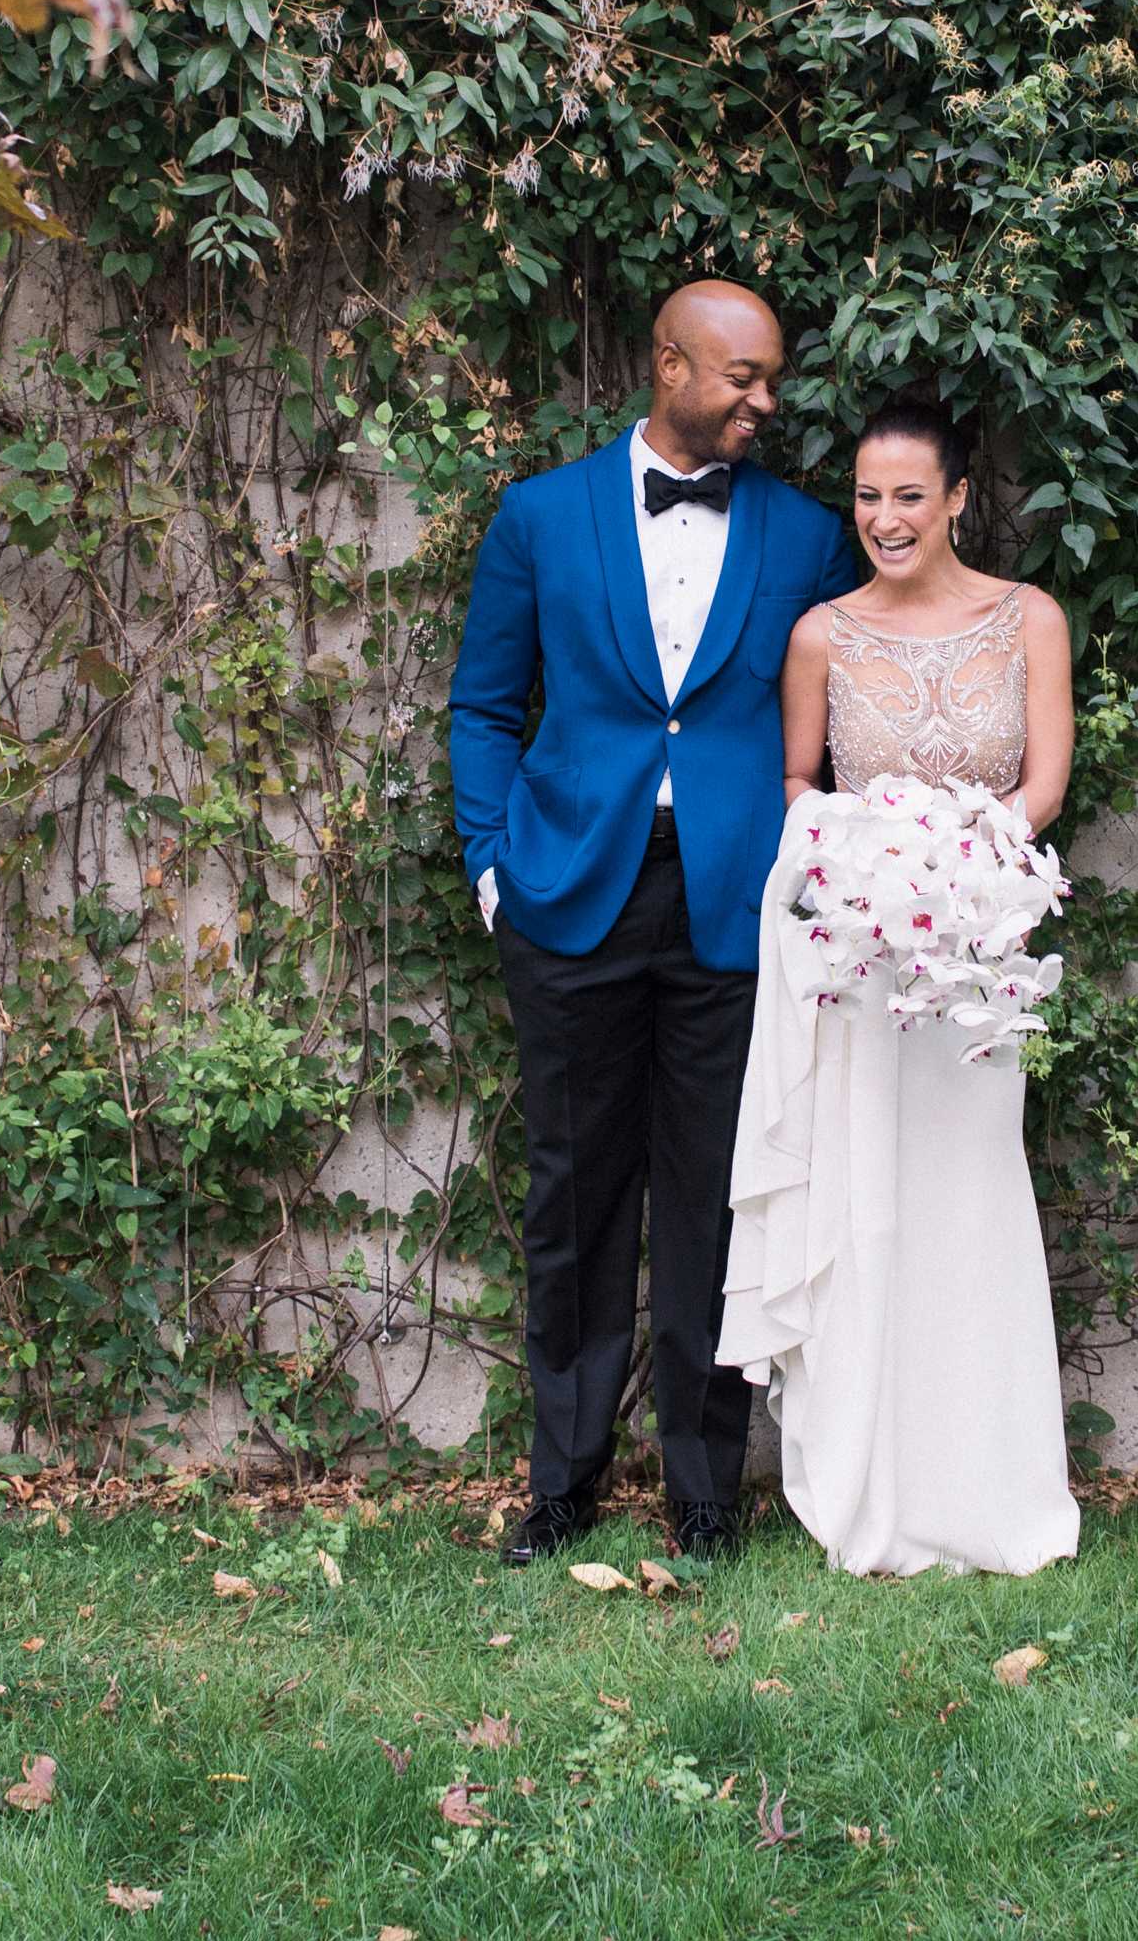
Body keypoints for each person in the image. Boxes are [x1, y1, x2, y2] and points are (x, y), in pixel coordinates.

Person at [446, 281, 856, 1564]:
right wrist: (490, 864)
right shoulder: (539, 516)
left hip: (736, 906)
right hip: (569, 891)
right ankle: (560, 1486)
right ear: (668, 365)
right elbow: (480, 707)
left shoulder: (805, 535)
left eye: (772, 378)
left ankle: (701, 1497)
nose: (764, 402)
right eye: (741, 378)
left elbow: (849, 713)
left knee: (712, 1203)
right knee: (573, 1195)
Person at [717, 393, 1083, 1577]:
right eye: (867, 498)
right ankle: (872, 1484)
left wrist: (959, 864)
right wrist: (862, 863)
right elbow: (795, 784)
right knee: (869, 1205)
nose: (884, 518)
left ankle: (992, 1491)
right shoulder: (823, 633)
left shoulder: (1028, 620)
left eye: (908, 496)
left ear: (958, 499)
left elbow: (1043, 786)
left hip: (972, 961)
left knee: (969, 1203)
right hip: (864, 966)